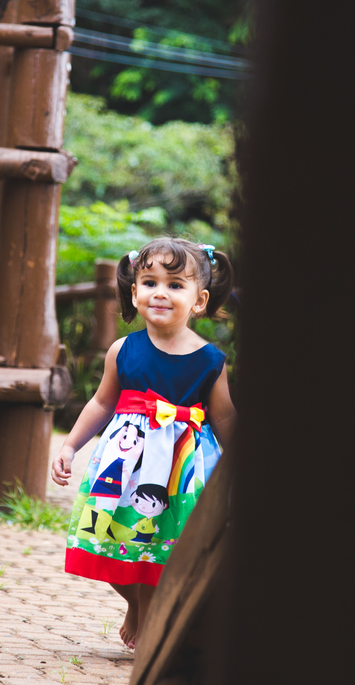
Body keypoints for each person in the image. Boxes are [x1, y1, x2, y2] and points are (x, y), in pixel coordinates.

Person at [51, 238, 237, 649]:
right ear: (134, 293)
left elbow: (223, 415)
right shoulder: (123, 350)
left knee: (162, 550)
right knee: (115, 542)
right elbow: (101, 403)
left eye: (175, 285)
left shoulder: (210, 359)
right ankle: (135, 604)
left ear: (199, 300)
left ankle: (152, 622)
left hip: (181, 473)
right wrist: (69, 447)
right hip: (125, 469)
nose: (160, 292)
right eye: (149, 281)